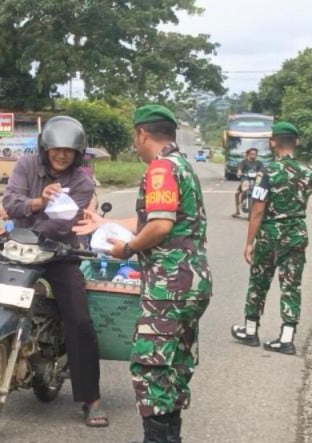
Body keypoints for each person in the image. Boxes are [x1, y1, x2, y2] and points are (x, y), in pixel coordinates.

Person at [74, 105, 212, 443]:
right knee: (175, 366)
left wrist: (128, 249)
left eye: (135, 138)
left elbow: (160, 226)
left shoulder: (160, 168)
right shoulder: (181, 166)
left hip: (169, 286)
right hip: (191, 283)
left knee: (150, 369)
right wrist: (103, 223)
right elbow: (154, 220)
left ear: (142, 134)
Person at [0, 116, 109, 427]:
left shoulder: (82, 182)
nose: (61, 155)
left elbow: (63, 224)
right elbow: (11, 202)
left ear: (77, 153)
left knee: (80, 319)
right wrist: (37, 202)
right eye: (56, 150)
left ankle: (90, 398)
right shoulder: (26, 166)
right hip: (19, 248)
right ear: (45, 149)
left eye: (68, 151)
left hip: (60, 254)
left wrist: (34, 219)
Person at [231, 122, 312, 355]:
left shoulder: (267, 172)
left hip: (270, 234)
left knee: (259, 281)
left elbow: (257, 209)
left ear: (272, 143)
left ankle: (250, 330)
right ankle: (287, 337)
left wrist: (249, 242)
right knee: (291, 285)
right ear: (296, 142)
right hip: (297, 232)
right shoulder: (310, 172)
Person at [232, 147, 264, 218]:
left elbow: (262, 170)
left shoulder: (259, 163)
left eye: (254, 154)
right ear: (248, 154)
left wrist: (261, 173)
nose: (253, 155)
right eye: (251, 154)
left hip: (256, 181)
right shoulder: (244, 162)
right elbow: (240, 168)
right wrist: (239, 172)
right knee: (237, 194)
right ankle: (237, 211)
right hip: (245, 180)